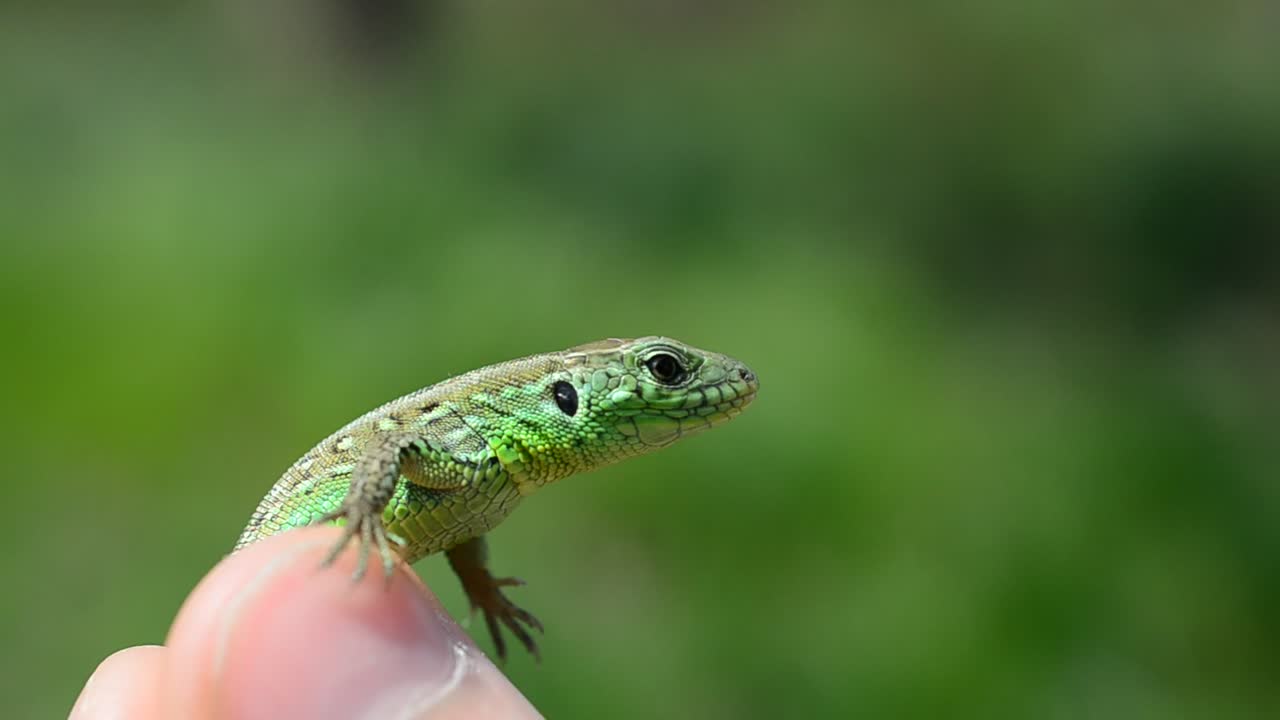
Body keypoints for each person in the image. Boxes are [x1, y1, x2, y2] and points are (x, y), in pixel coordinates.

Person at [69, 526, 542, 719]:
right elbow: (399, 447)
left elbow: (463, 523)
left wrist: (479, 583)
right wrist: (364, 507)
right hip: (270, 573)